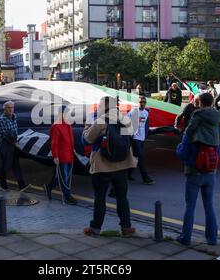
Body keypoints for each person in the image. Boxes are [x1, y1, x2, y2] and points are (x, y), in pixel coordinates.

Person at [82, 96, 137, 237]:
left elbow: (87, 139)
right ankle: (126, 228)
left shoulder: (100, 120)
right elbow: (131, 136)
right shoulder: (124, 119)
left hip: (103, 166)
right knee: (122, 198)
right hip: (122, 164)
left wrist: (87, 127)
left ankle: (95, 228)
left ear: (106, 105)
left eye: (100, 104)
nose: (99, 107)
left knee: (100, 198)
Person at [176, 93, 220, 246]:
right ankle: (212, 238)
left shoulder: (198, 114)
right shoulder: (218, 117)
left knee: (190, 206)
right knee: (209, 205)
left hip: (195, 169)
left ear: (201, 103)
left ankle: (186, 237)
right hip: (211, 169)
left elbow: (188, 133)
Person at [44, 105, 78, 205]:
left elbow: (69, 139)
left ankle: (48, 187)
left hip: (69, 154)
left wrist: (73, 149)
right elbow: (54, 143)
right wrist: (55, 156)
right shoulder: (56, 126)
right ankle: (67, 196)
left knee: (62, 175)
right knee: (65, 176)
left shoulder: (67, 124)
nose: (68, 115)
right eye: (66, 113)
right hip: (62, 155)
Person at [0, 101, 30, 192]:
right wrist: (15, 143)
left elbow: (14, 132)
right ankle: (3, 186)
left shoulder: (14, 117)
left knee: (16, 165)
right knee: (5, 166)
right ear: (5, 109)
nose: (11, 109)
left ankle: (22, 186)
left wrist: (16, 142)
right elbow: (6, 134)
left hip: (13, 144)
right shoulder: (2, 119)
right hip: (5, 145)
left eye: (12, 107)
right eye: (9, 108)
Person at [127, 96, 155, 184]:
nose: (142, 103)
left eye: (143, 102)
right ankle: (145, 178)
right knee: (141, 158)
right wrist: (130, 134)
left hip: (142, 138)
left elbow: (146, 125)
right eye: (140, 102)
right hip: (135, 139)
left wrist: (146, 134)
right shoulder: (134, 111)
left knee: (135, 157)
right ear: (138, 103)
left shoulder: (146, 113)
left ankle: (128, 174)